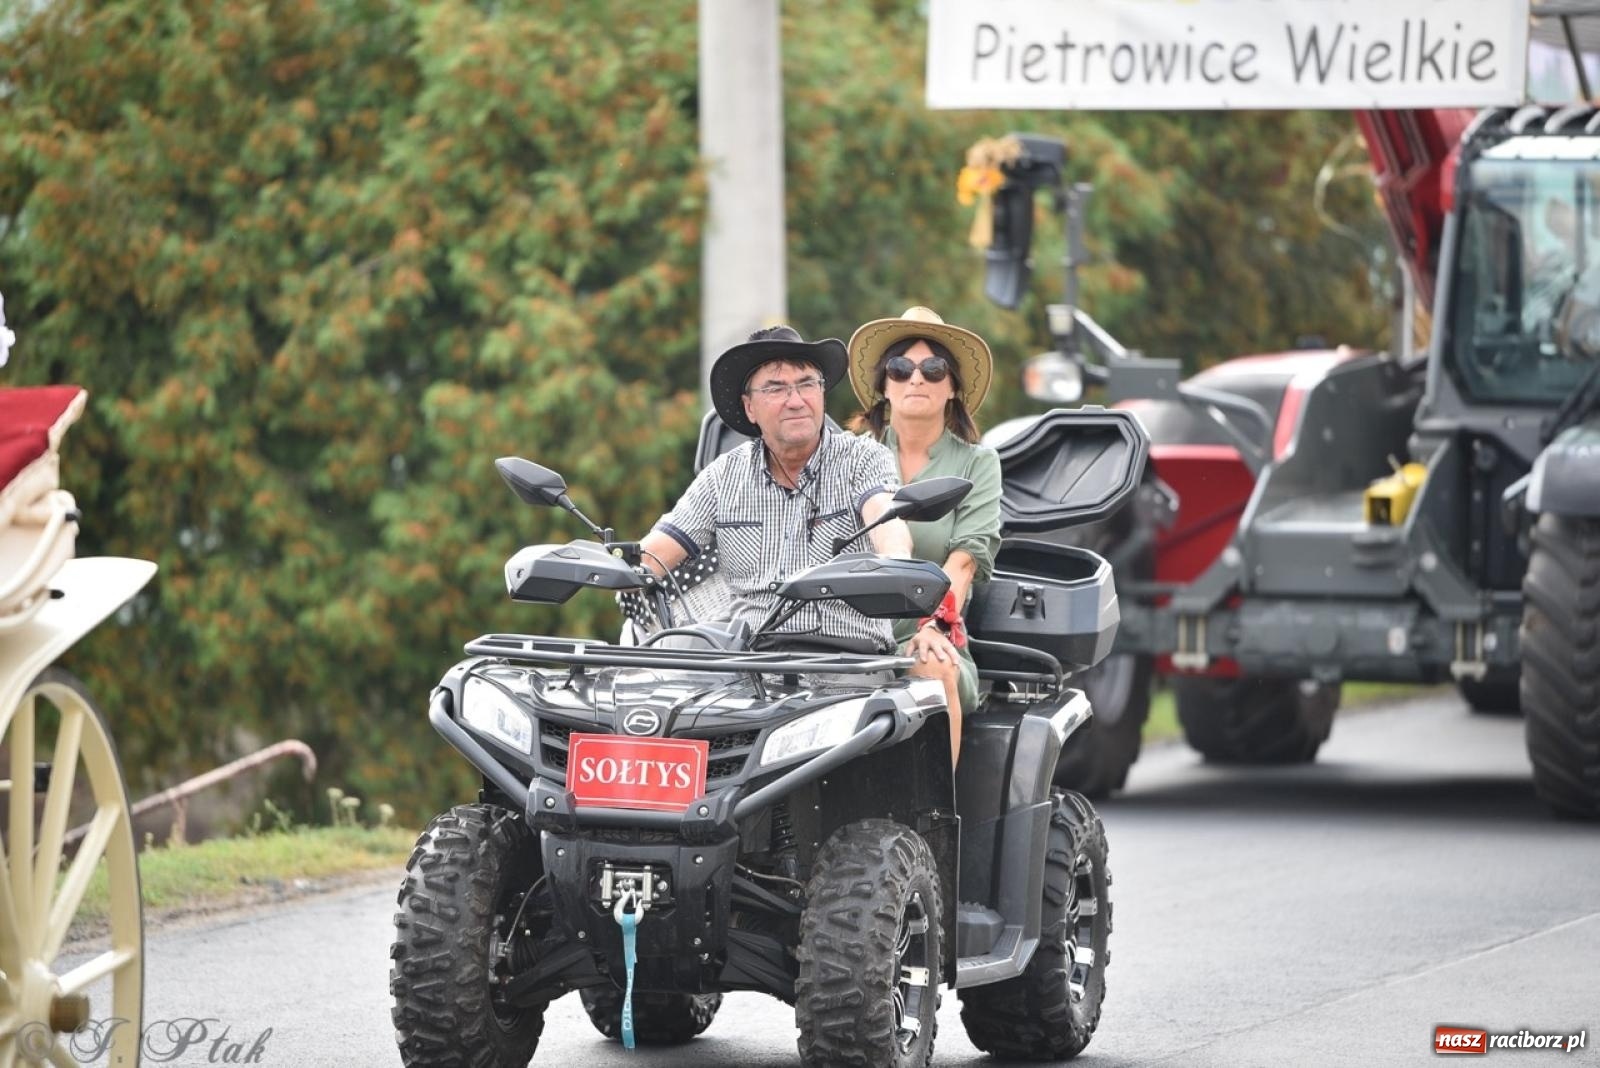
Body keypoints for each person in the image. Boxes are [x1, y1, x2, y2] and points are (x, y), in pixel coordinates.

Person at [639, 325, 914, 658]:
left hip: (849, 663)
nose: (796, 401)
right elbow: (651, 555)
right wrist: (602, 567)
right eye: (775, 388)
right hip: (751, 665)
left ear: (822, 393)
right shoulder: (723, 476)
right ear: (749, 407)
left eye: (807, 384)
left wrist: (897, 559)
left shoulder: (863, 458)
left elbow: (885, 516)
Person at [848, 306, 1004, 767]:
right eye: (900, 368)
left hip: (928, 629)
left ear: (952, 386)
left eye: (933, 369)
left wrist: (933, 625)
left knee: (934, 664)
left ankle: (937, 810)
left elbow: (965, 562)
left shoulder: (978, 464)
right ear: (884, 385)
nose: (916, 378)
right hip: (846, 634)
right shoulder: (850, 456)